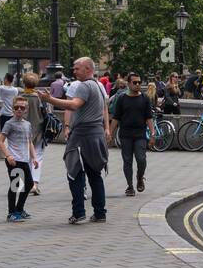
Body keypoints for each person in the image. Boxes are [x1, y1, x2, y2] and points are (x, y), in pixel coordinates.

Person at [40, 56, 110, 224]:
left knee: (75, 174)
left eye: (77, 68)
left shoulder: (84, 86)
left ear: (88, 69)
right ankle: (100, 213)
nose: (74, 71)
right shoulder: (99, 86)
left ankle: (79, 212)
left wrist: (50, 100)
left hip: (82, 137)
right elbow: (103, 109)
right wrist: (106, 128)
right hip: (96, 135)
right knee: (95, 175)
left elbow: (73, 105)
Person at [112, 72, 155, 197]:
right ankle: (130, 186)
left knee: (141, 159)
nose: (138, 85)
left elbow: (149, 117)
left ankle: (140, 177)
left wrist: (152, 134)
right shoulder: (121, 98)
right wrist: (109, 133)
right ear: (128, 84)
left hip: (140, 134)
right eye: (135, 82)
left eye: (139, 82)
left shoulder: (144, 98)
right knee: (127, 161)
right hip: (125, 134)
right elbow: (116, 118)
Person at [0, 96, 38, 221]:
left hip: (24, 159)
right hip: (14, 160)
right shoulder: (9, 123)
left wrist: (34, 157)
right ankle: (11, 213)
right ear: (12, 109)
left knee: (29, 184)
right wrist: (8, 155)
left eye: (22, 108)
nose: (19, 110)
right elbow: (0, 141)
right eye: (16, 107)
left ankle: (19, 209)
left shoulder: (27, 124)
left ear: (26, 109)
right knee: (16, 186)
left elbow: (29, 142)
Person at [18, 73, 45, 196]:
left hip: (22, 131)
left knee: (23, 157)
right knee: (37, 156)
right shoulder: (39, 97)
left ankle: (22, 184)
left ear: (24, 83)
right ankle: (34, 183)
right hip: (38, 130)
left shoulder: (20, 98)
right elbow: (46, 114)